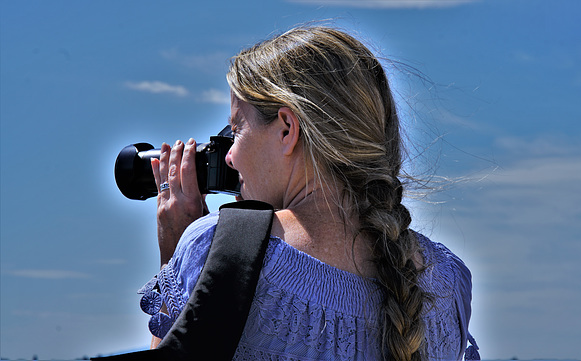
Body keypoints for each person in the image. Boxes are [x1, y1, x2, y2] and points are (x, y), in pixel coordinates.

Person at [139, 25, 479, 360]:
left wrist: (177, 253)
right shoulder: (448, 281)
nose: (229, 156)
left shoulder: (216, 248)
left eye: (237, 128)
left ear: (288, 129)